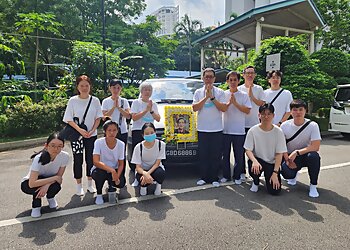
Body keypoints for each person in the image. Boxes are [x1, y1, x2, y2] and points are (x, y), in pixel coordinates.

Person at [63, 75, 103, 196]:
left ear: (90, 86)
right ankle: (79, 185)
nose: (84, 88)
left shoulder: (95, 100)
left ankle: (90, 184)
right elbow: (68, 119)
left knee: (91, 159)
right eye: (82, 86)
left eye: (87, 85)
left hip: (91, 135)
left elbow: (98, 118)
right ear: (77, 87)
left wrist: (92, 130)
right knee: (78, 159)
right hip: (77, 136)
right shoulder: (73, 100)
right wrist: (80, 130)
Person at [21, 133, 69, 218]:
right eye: (53, 145)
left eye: (59, 146)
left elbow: (59, 177)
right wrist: (54, 178)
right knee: (34, 186)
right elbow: (32, 183)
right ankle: (36, 206)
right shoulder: (38, 158)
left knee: (57, 186)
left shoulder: (65, 156)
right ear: (46, 145)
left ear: (63, 146)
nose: (56, 149)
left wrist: (47, 185)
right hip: (29, 183)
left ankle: (51, 197)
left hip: (49, 182)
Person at [192, 68, 226, 187]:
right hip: (202, 129)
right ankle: (204, 177)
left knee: (215, 155)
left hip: (216, 129)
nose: (208, 79)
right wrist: (206, 97)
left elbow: (223, 108)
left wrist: (212, 97)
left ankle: (214, 178)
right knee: (203, 155)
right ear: (202, 78)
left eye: (211, 77)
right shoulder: (198, 92)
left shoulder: (221, 92)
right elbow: (195, 108)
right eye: (206, 77)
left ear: (214, 79)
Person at [280, 100, 321, 198]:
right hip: (290, 156)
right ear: (290, 112)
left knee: (314, 156)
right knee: (287, 174)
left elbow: (315, 146)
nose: (298, 112)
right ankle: (293, 175)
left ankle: (313, 185)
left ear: (305, 111)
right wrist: (288, 160)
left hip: (305, 155)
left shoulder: (313, 125)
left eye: (300, 109)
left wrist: (297, 152)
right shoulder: (284, 126)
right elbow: (281, 146)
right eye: (294, 110)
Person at [244, 103, 287, 195]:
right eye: (263, 114)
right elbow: (248, 150)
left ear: (273, 115)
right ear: (259, 115)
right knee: (253, 165)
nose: (266, 116)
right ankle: (255, 182)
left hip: (271, 163)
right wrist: (254, 161)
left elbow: (279, 154)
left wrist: (275, 173)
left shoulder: (278, 132)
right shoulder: (253, 130)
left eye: (269, 114)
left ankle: (271, 176)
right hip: (258, 161)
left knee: (275, 191)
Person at [222, 71, 251, 184]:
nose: (233, 82)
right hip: (225, 129)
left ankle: (237, 176)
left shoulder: (243, 95)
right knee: (225, 155)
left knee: (239, 155)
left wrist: (236, 103)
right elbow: (221, 108)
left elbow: (248, 110)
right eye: (231, 80)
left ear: (239, 81)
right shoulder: (223, 94)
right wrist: (229, 103)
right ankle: (226, 176)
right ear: (227, 81)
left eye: (235, 80)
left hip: (239, 130)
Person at [238, 66, 265, 181]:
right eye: (247, 73)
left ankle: (255, 172)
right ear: (243, 75)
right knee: (241, 150)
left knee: (254, 150)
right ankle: (241, 172)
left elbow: (262, 104)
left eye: (252, 73)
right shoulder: (239, 89)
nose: (249, 75)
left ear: (254, 75)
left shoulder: (259, 89)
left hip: (254, 124)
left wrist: (251, 96)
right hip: (240, 124)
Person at [130, 82, 161, 186]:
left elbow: (158, 118)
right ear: (141, 91)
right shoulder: (136, 102)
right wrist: (145, 110)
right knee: (137, 155)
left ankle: (149, 175)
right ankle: (136, 177)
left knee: (147, 154)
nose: (147, 92)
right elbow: (134, 117)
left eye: (149, 90)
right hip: (138, 130)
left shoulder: (154, 104)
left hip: (150, 132)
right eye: (145, 90)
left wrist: (151, 110)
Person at [91, 119, 126, 205]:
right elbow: (96, 161)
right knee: (99, 174)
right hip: (101, 169)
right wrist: (112, 170)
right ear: (105, 131)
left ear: (117, 131)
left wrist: (117, 176)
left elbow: (121, 163)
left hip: (114, 169)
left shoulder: (121, 144)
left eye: (114, 130)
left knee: (121, 183)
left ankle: (111, 185)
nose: (112, 133)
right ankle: (99, 194)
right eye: (109, 130)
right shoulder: (98, 142)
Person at [101, 79, 130, 179]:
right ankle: (110, 176)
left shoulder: (124, 101)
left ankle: (121, 176)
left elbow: (128, 115)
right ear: (110, 88)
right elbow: (104, 116)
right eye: (114, 87)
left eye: (118, 87)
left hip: (122, 130)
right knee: (109, 154)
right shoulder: (106, 101)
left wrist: (119, 108)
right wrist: (114, 107)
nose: (116, 90)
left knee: (121, 155)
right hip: (109, 132)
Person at [131, 122, 166, 196]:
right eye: (147, 133)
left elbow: (157, 164)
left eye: (152, 132)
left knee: (160, 173)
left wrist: (148, 174)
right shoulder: (138, 147)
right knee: (141, 181)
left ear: (155, 132)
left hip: (155, 168)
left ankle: (158, 186)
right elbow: (138, 167)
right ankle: (143, 187)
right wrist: (145, 173)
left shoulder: (161, 145)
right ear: (143, 135)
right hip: (142, 170)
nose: (150, 135)